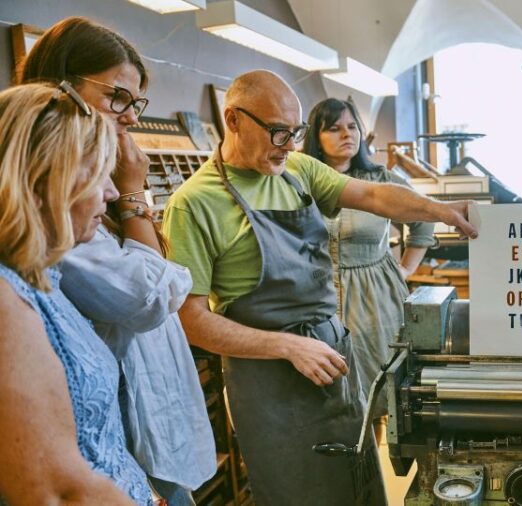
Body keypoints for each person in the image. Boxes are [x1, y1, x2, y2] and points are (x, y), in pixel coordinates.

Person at [162, 69, 476, 506]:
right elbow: (192, 321)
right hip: (270, 382)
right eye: (277, 132)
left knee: (358, 486)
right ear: (232, 120)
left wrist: (439, 210)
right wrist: (287, 346)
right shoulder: (193, 204)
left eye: (295, 133)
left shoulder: (297, 170)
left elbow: (373, 196)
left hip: (331, 363)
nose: (289, 145)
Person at [19, 17, 216, 505]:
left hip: (141, 437)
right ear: (64, 88)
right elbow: (148, 295)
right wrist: (132, 194)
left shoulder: (89, 195)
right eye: (117, 97)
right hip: (121, 437)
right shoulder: (55, 205)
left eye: (135, 102)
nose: (129, 117)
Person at [0, 82, 151, 505]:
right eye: (97, 172)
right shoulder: (5, 300)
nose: (112, 192)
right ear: (41, 181)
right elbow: (58, 492)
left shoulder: (39, 278)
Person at [303, 98, 435, 442]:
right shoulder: (301, 182)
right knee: (325, 392)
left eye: (352, 127)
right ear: (316, 136)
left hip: (374, 298)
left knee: (373, 394)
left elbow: (423, 220)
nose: (347, 134)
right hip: (317, 295)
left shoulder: (381, 180)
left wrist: (405, 269)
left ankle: (369, 468)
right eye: (334, 128)